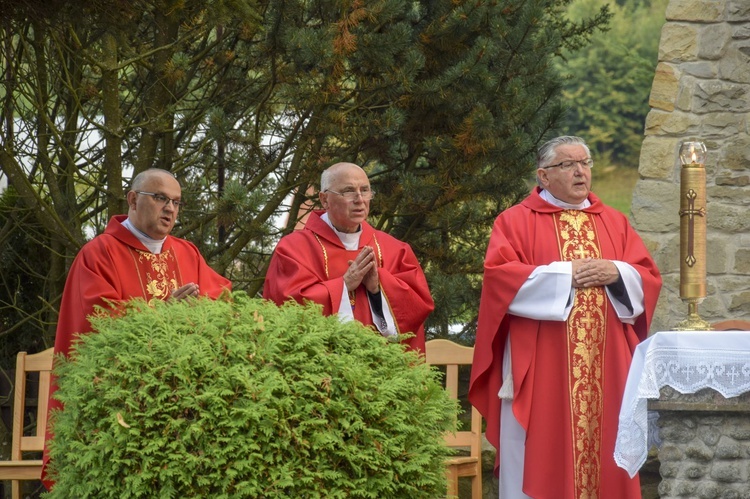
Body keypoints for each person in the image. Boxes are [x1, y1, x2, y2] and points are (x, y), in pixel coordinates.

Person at [468, 136, 662, 499]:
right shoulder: (515, 222)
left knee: (604, 448)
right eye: (568, 165)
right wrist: (565, 275)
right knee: (541, 447)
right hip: (543, 361)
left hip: (607, 365)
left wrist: (616, 272)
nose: (580, 172)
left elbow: (647, 278)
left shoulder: (614, 222)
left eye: (585, 163)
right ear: (543, 176)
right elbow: (500, 278)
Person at [42, 168, 231, 489]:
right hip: (118, 397)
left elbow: (222, 297)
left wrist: (201, 309)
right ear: (132, 199)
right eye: (160, 198)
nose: (170, 209)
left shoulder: (187, 253)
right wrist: (161, 312)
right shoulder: (99, 253)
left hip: (183, 394)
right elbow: (96, 320)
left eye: (176, 202)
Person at [263, 162, 434, 352]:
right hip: (321, 372)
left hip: (383, 370)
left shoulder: (395, 250)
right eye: (348, 191)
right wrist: (343, 285)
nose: (360, 199)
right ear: (324, 199)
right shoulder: (293, 250)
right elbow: (286, 308)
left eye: (365, 190)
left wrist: (378, 288)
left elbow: (415, 308)